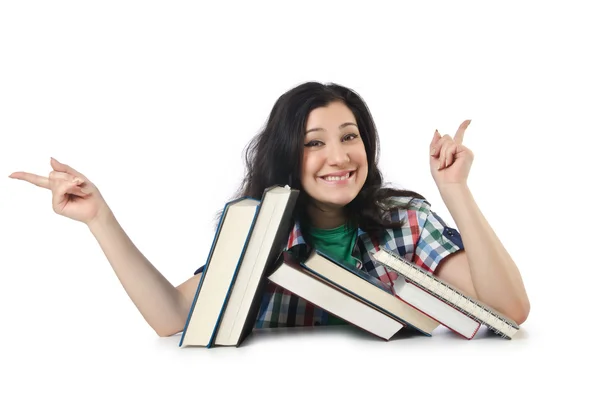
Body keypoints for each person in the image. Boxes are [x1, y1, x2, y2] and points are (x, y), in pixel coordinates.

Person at [8, 81, 530, 337]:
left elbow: (508, 310)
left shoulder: (404, 221)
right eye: (314, 143)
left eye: (351, 138)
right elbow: (172, 317)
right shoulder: (258, 231)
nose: (339, 157)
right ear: (287, 155)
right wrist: (99, 217)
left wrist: (455, 189)